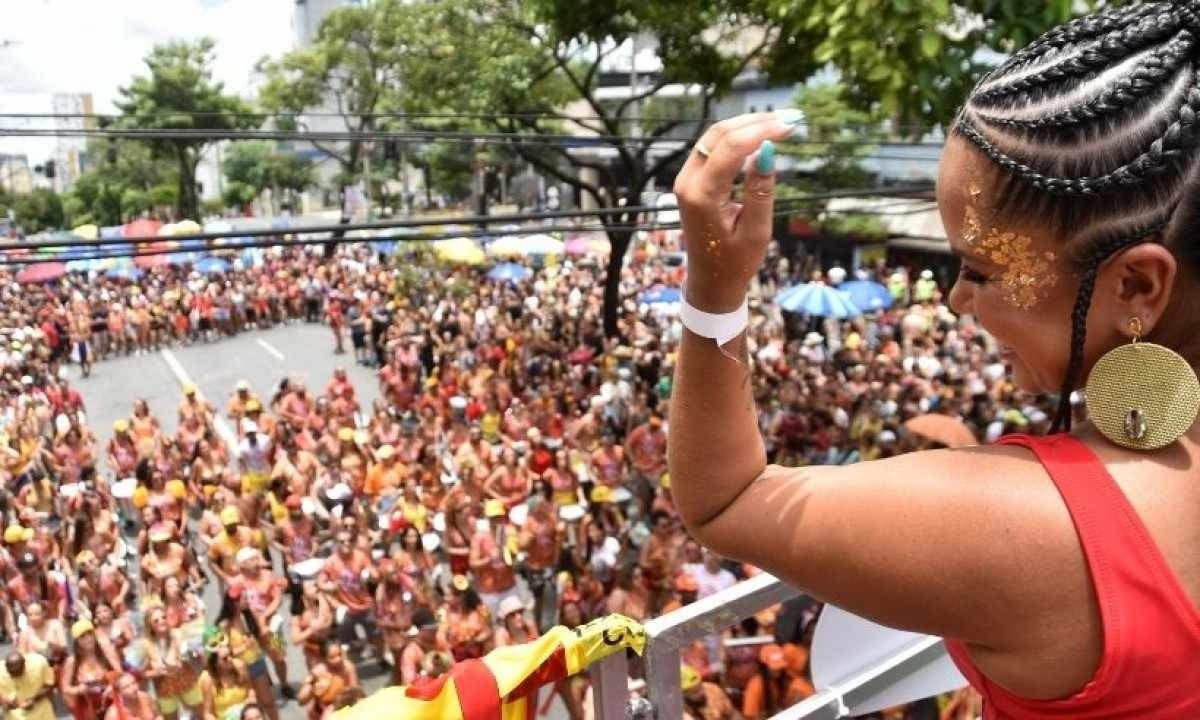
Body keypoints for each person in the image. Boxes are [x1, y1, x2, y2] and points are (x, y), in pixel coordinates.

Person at [670, 18, 1200, 714]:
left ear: (1135, 287)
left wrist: (715, 288)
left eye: (978, 269)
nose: (955, 300)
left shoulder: (1043, 529)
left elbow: (723, 500)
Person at [0, 651, 56, 720]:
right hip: (13, 717)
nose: (16, 676)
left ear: (24, 663)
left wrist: (34, 699)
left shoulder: (39, 663)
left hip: (42, 714)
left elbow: (49, 685)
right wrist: (5, 702)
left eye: (18, 672)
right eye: (12, 673)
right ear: (5, 666)